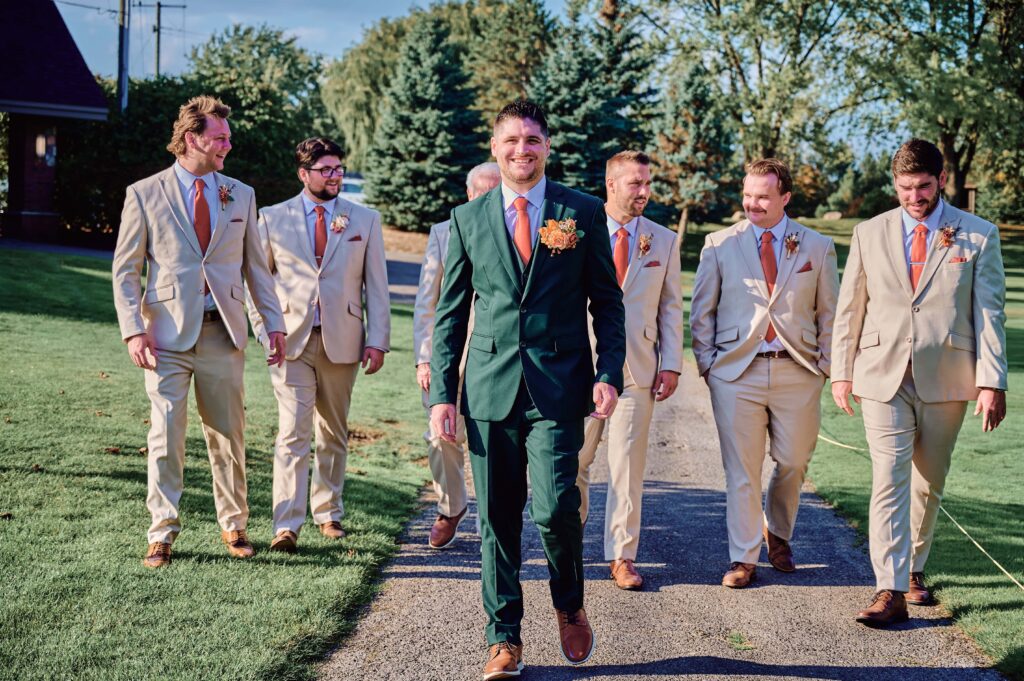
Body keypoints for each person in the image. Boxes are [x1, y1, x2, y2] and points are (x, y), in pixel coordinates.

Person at [428, 100, 625, 678]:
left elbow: (607, 305)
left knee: (558, 504)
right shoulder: (467, 220)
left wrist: (608, 372)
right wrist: (443, 392)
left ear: (546, 147)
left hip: (560, 388)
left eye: (533, 141)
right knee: (496, 518)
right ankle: (504, 638)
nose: (522, 150)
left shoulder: (581, 211)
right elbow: (450, 316)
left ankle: (569, 603)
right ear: (496, 148)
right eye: (512, 140)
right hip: (488, 389)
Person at [831, 139, 1008, 626]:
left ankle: (913, 570)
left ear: (941, 179)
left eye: (923, 187)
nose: (914, 197)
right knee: (889, 477)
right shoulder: (869, 232)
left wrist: (993, 382)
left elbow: (989, 313)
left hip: (948, 377)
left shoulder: (977, 235)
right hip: (881, 374)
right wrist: (842, 370)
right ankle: (888, 589)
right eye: (905, 188)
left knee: (928, 483)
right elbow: (851, 307)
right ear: (895, 184)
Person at [112, 95, 285, 568]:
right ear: (193, 138)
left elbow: (257, 270)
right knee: (166, 433)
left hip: (222, 335)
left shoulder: (240, 194)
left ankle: (234, 526)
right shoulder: (144, 193)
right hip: (164, 336)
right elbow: (126, 271)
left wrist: (272, 324)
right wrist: (133, 331)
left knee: (228, 435)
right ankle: (161, 532)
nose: (229, 144)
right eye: (221, 137)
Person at [690, 158, 839, 589]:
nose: (752, 204)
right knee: (742, 469)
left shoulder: (816, 246)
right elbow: (702, 311)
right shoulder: (719, 243)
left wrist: (826, 366)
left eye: (763, 196)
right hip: (736, 373)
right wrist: (709, 365)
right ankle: (743, 557)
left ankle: (780, 532)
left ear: (785, 198)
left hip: (799, 370)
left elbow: (830, 314)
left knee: (793, 462)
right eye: (748, 194)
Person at [246, 137, 390, 553]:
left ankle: (328, 513)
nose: (334, 176)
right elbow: (257, 284)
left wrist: (378, 340)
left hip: (343, 341)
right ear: (303, 174)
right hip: (288, 341)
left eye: (338, 169)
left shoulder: (364, 219)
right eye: (325, 170)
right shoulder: (272, 218)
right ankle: (286, 525)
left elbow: (376, 288)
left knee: (333, 432)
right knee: (292, 432)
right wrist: (263, 330)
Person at [575, 150, 683, 590]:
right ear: (611, 184)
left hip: (638, 370)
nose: (644, 191)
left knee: (627, 466)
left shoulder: (663, 239)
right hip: (580, 367)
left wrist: (672, 363)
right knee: (572, 464)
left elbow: (671, 307)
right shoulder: (578, 229)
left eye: (647, 183)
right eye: (635, 183)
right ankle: (568, 544)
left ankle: (622, 556)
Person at [412, 162, 501, 550]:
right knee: (441, 435)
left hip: (496, 357)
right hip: (447, 355)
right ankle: (451, 507)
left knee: (495, 440)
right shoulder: (443, 232)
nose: (488, 199)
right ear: (469, 195)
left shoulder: (519, 231)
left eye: (495, 191)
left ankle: (494, 517)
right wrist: (425, 358)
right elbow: (426, 303)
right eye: (481, 192)